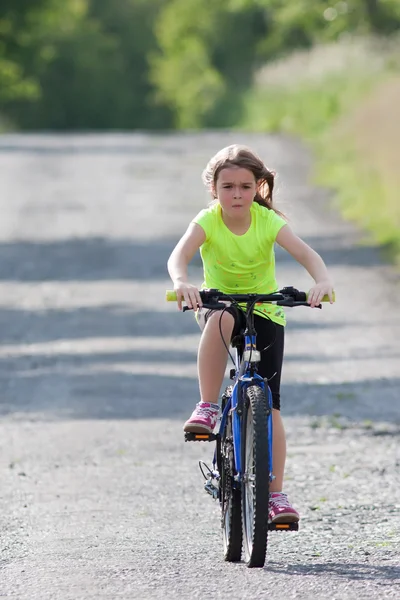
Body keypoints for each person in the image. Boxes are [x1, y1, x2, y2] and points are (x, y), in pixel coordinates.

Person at [167, 144, 334, 524]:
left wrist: (321, 280)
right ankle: (208, 406)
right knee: (224, 317)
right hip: (219, 305)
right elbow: (178, 256)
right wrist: (182, 282)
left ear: (258, 187)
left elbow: (307, 254)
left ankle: (275, 497)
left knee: (271, 405)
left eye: (245, 186)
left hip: (265, 309)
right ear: (214, 189)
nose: (237, 194)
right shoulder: (208, 220)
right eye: (228, 187)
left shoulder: (267, 221)